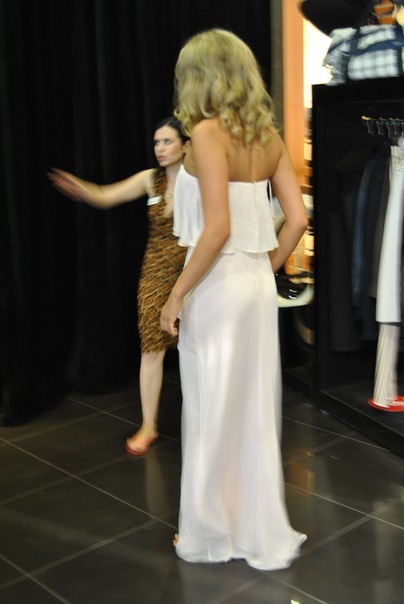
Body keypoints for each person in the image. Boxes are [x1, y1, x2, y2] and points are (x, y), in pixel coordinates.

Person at [160, 29, 308, 570]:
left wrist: (176, 294)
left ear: (200, 77)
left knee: (210, 406)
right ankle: (253, 525)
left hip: (217, 287)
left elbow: (217, 228)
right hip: (254, 288)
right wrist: (264, 267)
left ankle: (207, 534)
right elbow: (297, 219)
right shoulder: (268, 137)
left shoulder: (205, 133)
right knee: (252, 408)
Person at [49, 117, 190, 455]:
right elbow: (105, 195)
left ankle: (206, 420)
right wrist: (81, 188)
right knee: (151, 347)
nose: (160, 149)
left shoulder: (200, 180)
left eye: (168, 141)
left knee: (198, 347)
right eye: (156, 142)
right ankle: (148, 425)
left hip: (193, 273)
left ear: (186, 145)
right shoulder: (150, 180)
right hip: (155, 275)